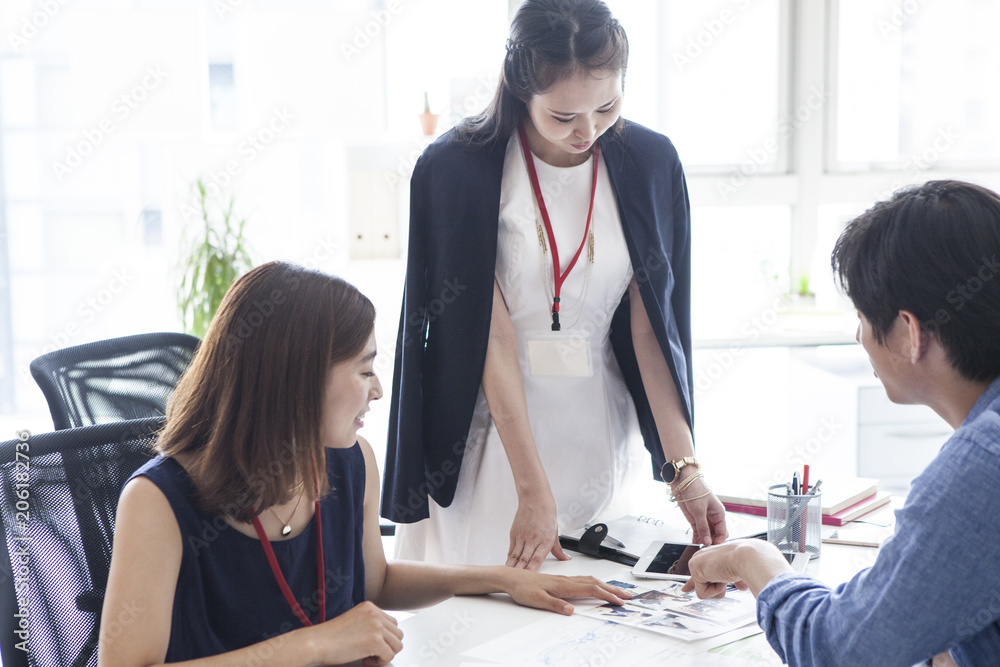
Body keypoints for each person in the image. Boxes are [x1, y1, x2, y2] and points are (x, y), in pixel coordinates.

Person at [98, 261, 630, 666]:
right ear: (297, 381)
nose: (377, 391)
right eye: (363, 371)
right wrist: (315, 644)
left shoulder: (350, 463)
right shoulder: (158, 501)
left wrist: (502, 578)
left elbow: (375, 582)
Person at [383, 0, 727, 571]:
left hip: (598, 430)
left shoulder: (649, 161)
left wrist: (685, 471)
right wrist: (532, 491)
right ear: (522, 91)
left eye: (607, 106)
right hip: (494, 444)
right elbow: (487, 339)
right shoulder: (458, 169)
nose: (587, 131)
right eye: (563, 116)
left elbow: (652, 331)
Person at [681, 180, 1000, 667]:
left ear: (910, 333)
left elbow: (837, 650)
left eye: (863, 316)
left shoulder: (981, 465)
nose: (858, 335)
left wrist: (754, 559)